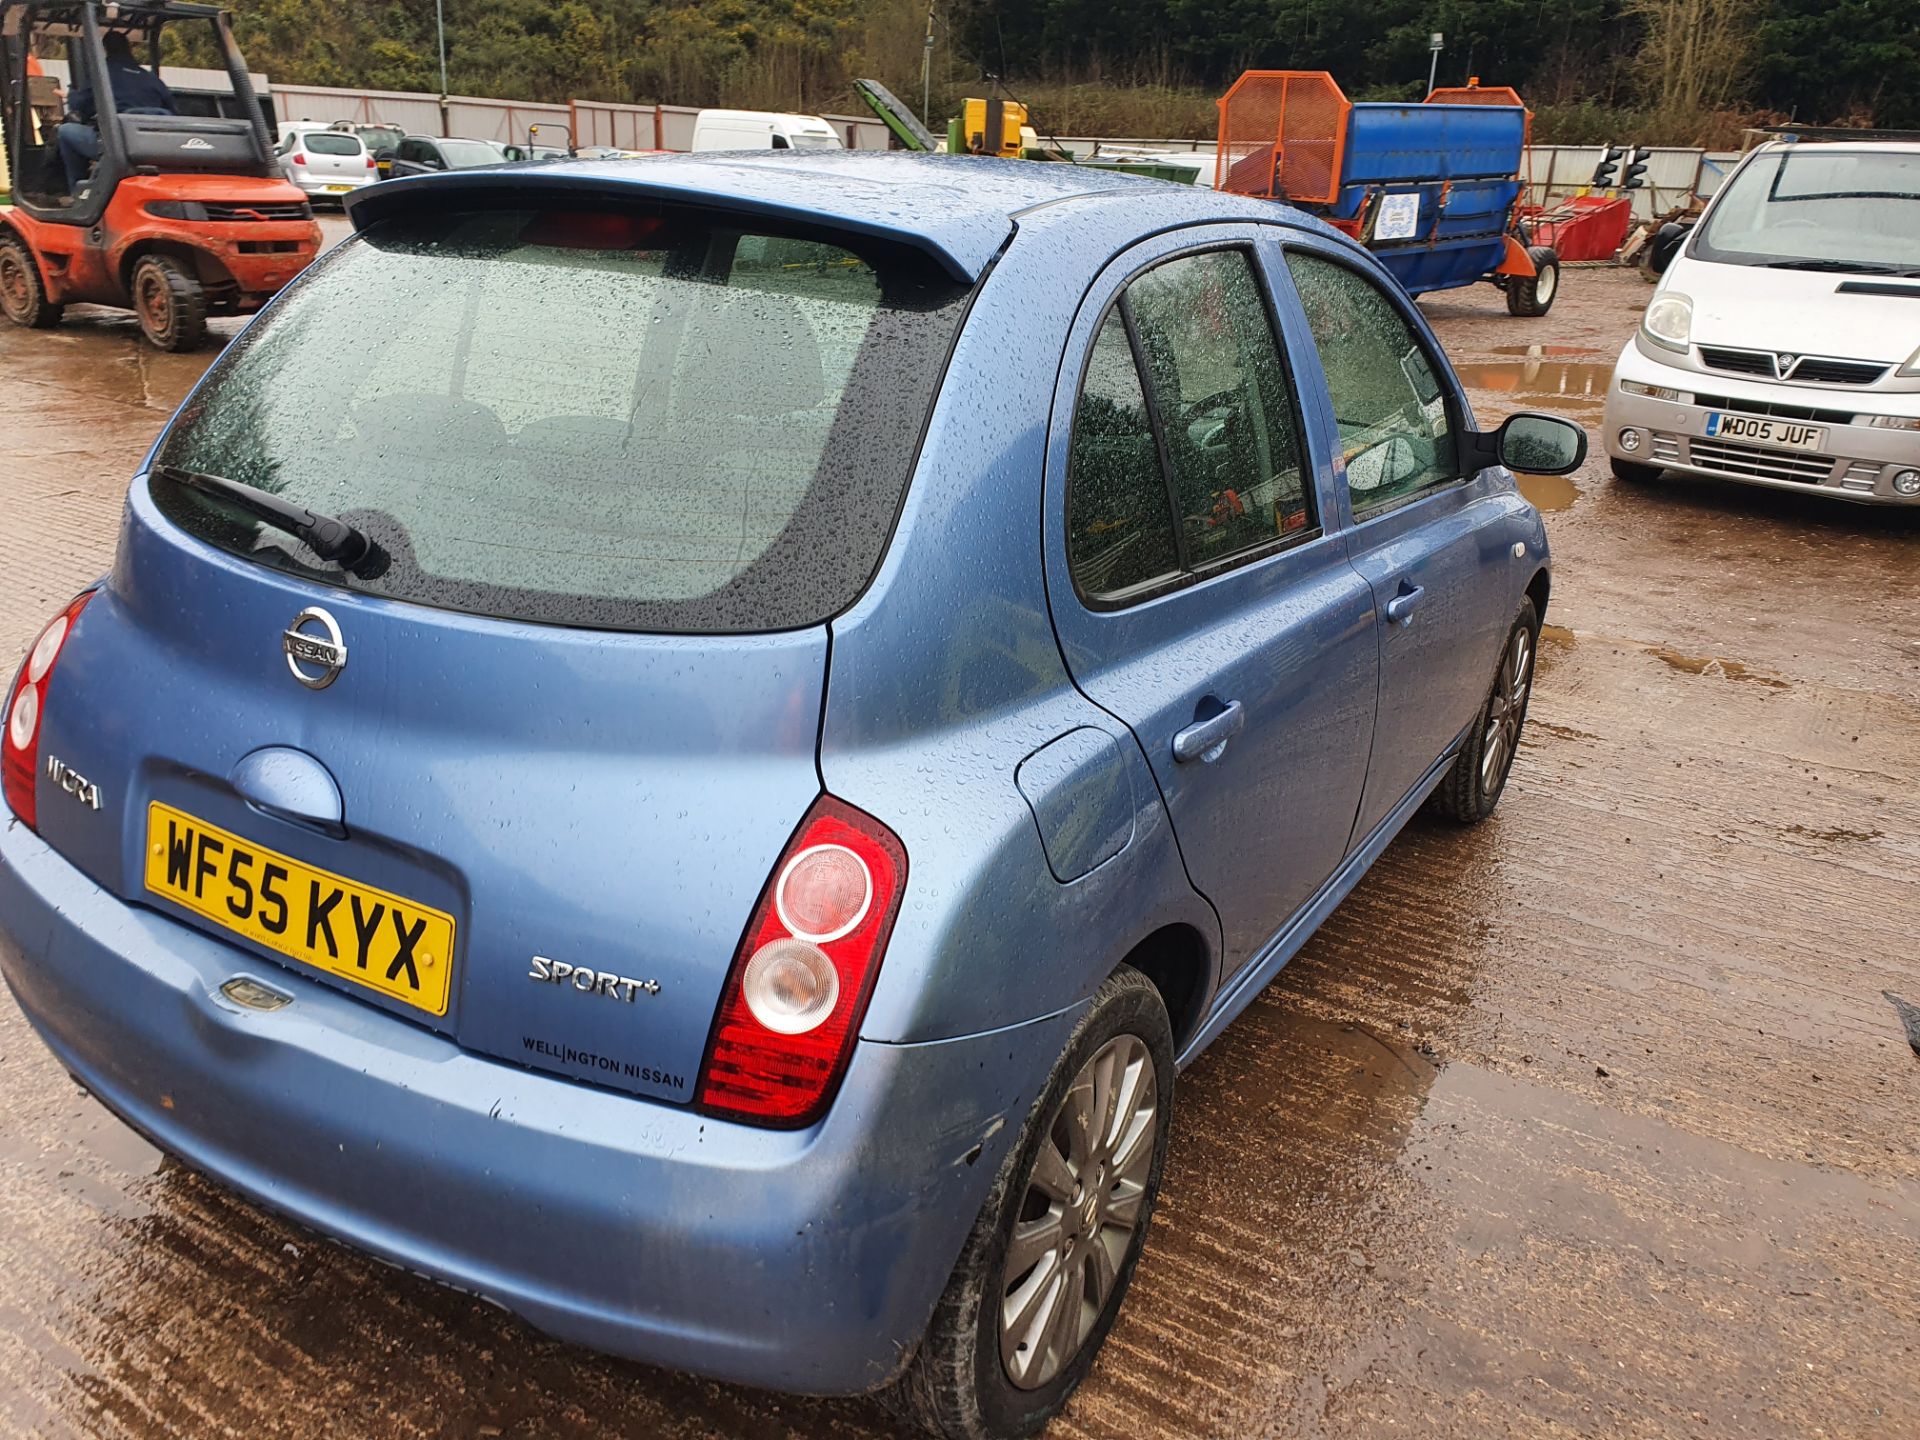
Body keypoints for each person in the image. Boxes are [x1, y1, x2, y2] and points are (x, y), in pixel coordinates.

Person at [57, 30, 175, 192]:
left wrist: (71, 95)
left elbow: (80, 105)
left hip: (115, 143)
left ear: (105, 49)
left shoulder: (102, 75)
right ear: (129, 48)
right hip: (153, 146)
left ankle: (79, 192)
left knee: (65, 131)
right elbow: (172, 112)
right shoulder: (152, 79)